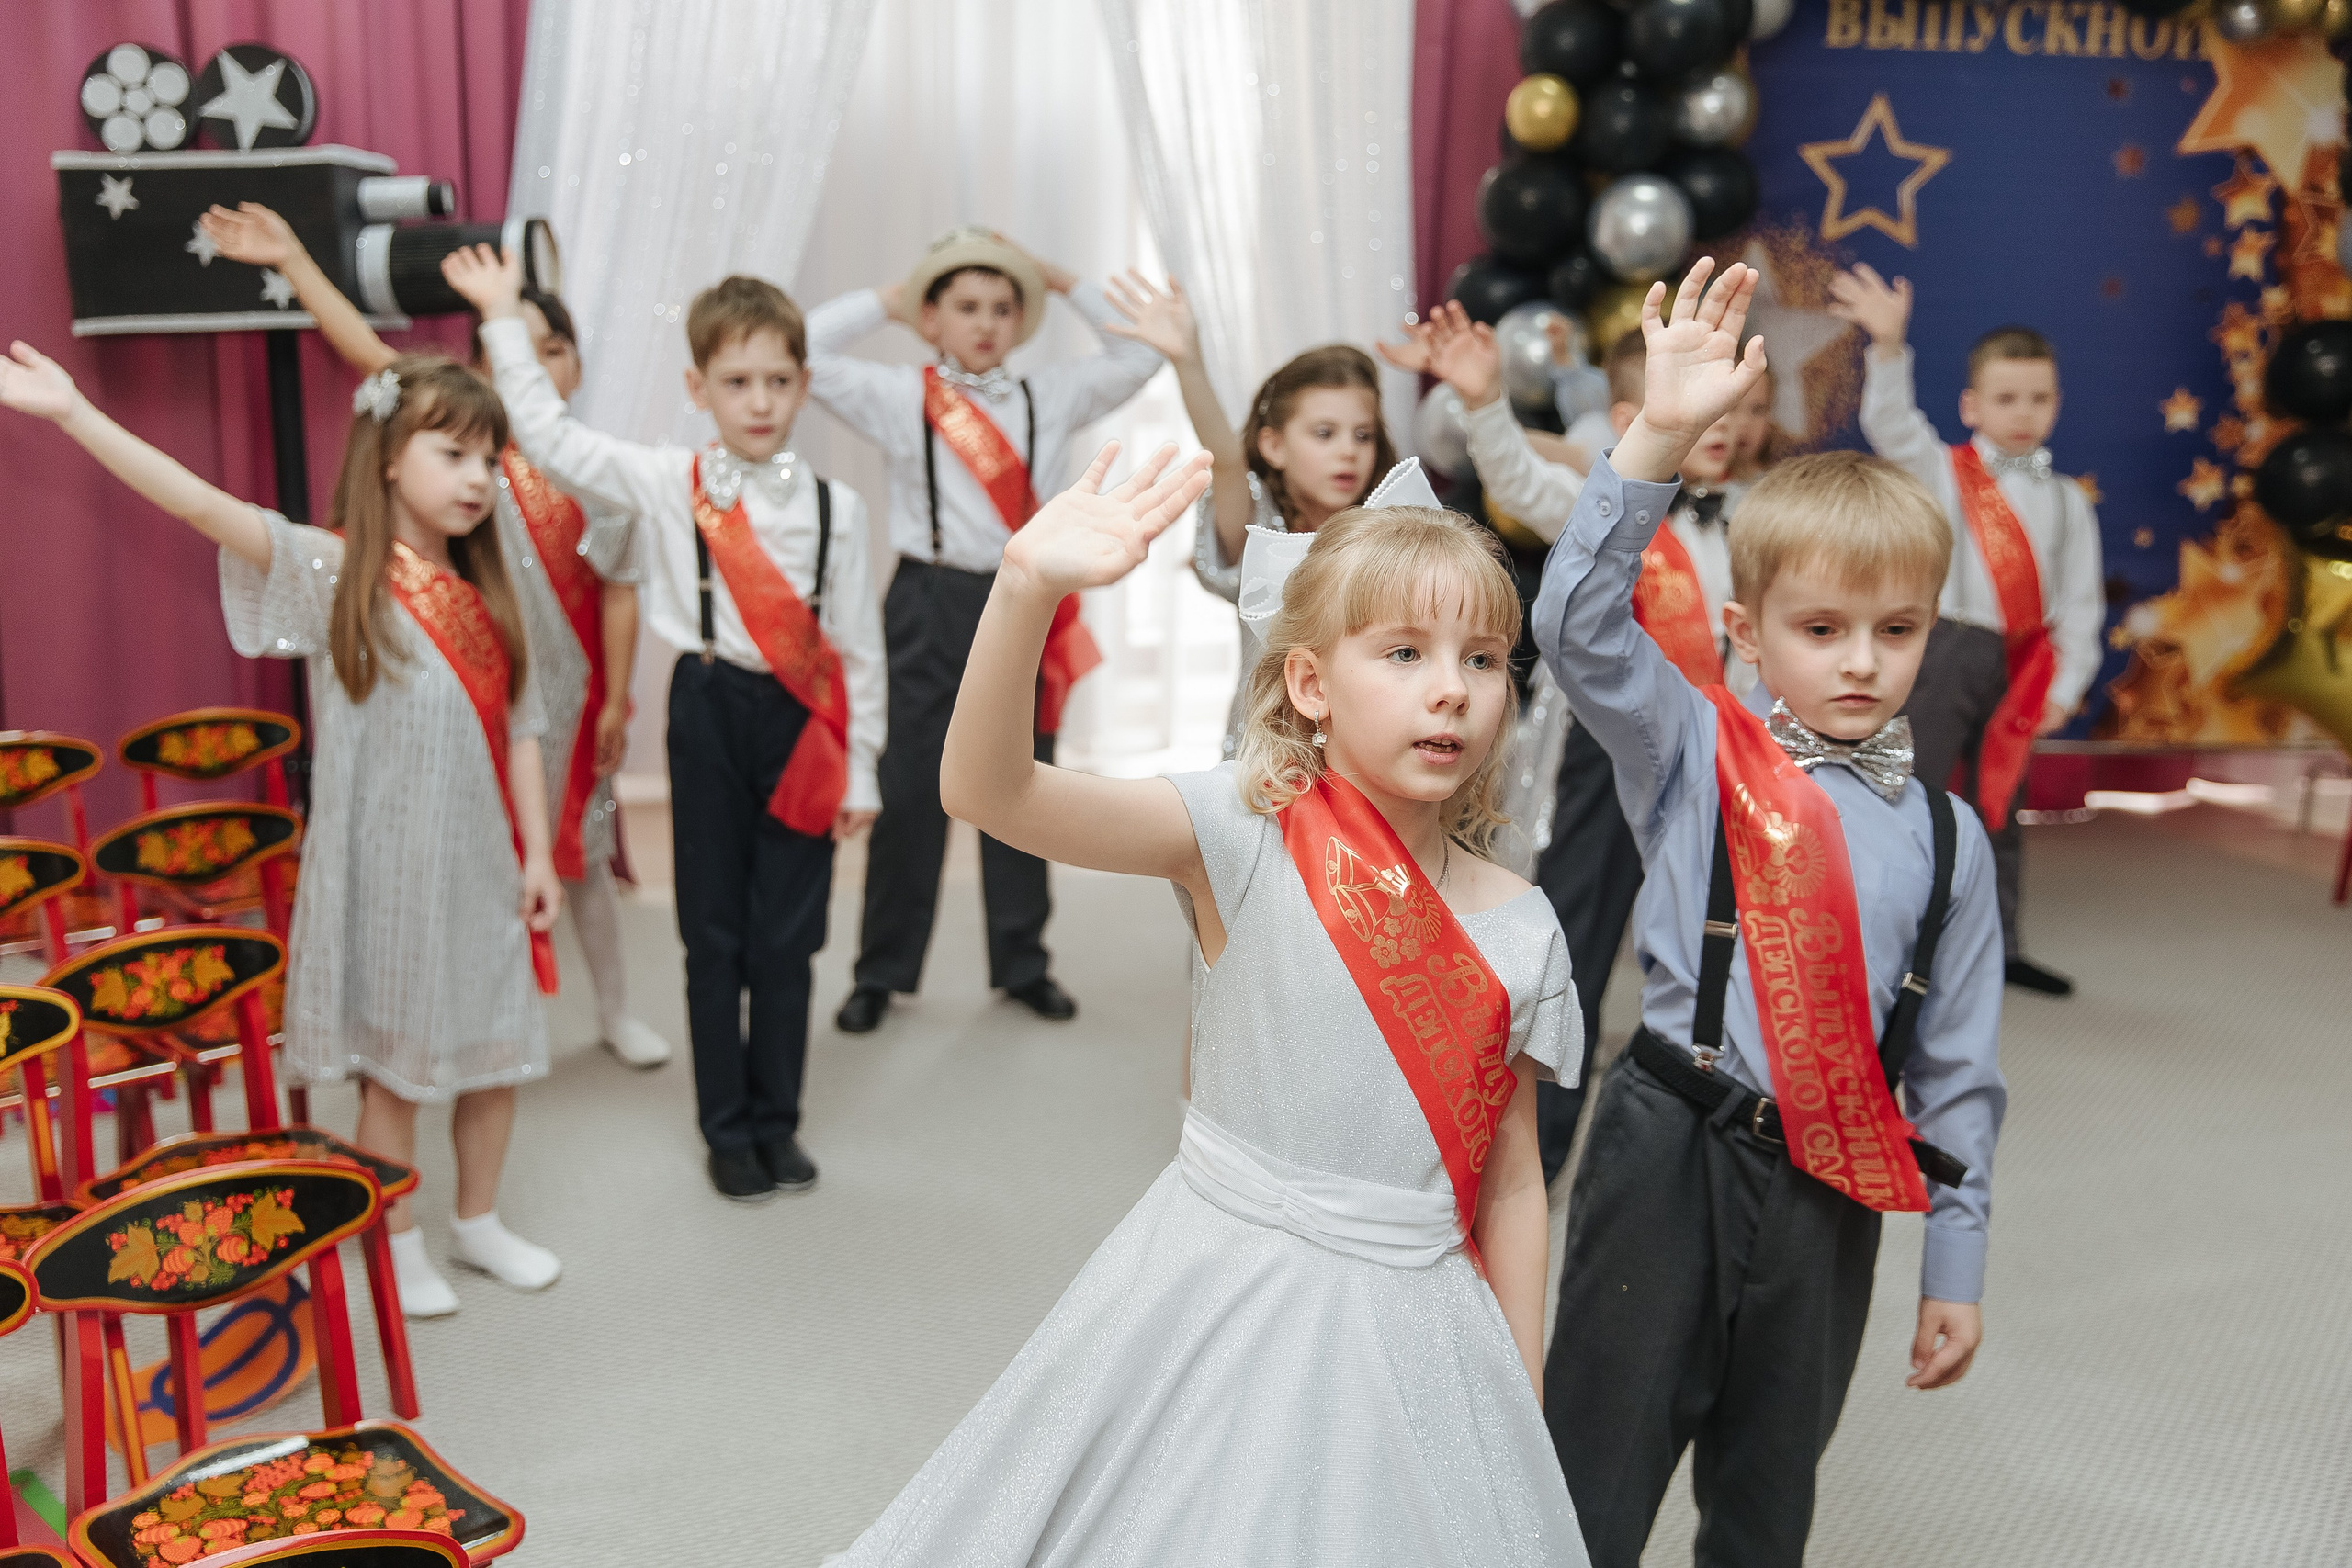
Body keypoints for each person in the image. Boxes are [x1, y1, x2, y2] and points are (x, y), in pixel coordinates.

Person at [825, 438, 1585, 1564]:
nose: (1450, 690)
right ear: (1310, 684)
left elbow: (1514, 1179)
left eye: (1483, 660)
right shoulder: (1241, 833)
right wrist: (1025, 589)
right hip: (1215, 1291)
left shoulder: (1522, 925)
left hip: (1419, 1322)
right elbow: (984, 792)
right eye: (1406, 652)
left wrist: (1514, 1395)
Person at [1532, 257, 2007, 1567]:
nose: (1862, 660)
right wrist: (1657, 436)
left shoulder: (1953, 841)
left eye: (1897, 629)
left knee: (1767, 1490)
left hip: (1831, 1183)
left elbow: (1960, 1073)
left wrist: (1955, 1264)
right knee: (1595, 1466)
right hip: (1665, 1147)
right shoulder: (1691, 750)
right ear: (1745, 631)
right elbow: (1574, 625)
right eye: (1823, 626)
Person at [1, 341, 569, 1318]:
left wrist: (538, 852)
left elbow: (522, 731)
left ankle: (479, 1220)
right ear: (389, 456)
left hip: (482, 868)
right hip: (387, 876)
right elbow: (197, 504)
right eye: (452, 453)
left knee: (495, 1051)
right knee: (399, 1070)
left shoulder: (489, 596)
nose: (477, 478)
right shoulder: (334, 571)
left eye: (489, 458)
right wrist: (74, 414)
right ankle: (395, 1236)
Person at [444, 246, 887, 1203]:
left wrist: (863, 771)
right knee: (714, 933)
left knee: (789, 937)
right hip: (707, 710)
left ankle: (780, 1120)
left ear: (805, 385)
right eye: (737, 381)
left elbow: (858, 648)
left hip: (805, 726)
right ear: (698, 386)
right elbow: (550, 436)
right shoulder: (660, 478)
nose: (759, 401)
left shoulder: (837, 508)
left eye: (778, 380)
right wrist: (501, 319)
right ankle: (726, 1129)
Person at [199, 202, 672, 1068]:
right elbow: (371, 358)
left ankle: (613, 1010)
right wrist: (299, 262)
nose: (534, 360)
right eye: (513, 345)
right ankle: (454, 1026)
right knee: (471, 858)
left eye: (553, 347)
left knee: (582, 849)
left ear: (570, 366)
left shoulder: (596, 472)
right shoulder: (467, 457)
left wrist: (619, 698)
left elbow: (618, 597)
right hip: (454, 684)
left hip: (561, 701)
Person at [1403, 298, 1751, 1183]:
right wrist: (1485, 404)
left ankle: (1711, 1142)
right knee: (1578, 935)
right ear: (1635, 420)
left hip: (1722, 756)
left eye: (1738, 411)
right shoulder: (1604, 503)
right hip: (1606, 746)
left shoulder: (1758, 514)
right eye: (1702, 409)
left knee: (1721, 940)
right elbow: (1519, 483)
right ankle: (1537, 1153)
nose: (1723, 428)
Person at [805, 230, 1162, 1034]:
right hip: (926, 603)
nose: (987, 323)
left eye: (1005, 307)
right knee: (908, 791)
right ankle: (883, 971)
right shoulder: (903, 395)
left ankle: (1023, 960)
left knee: (1026, 779)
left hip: (1019, 599)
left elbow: (1141, 357)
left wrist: (1061, 275)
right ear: (932, 318)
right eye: (966, 306)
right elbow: (803, 350)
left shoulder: (1049, 395)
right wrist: (890, 301)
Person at [1831, 262, 2105, 997]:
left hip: (2022, 664)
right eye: (2007, 397)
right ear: (1972, 404)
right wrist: (1889, 346)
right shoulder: (1942, 471)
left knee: (2001, 803)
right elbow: (1891, 423)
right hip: (1946, 650)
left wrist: (2067, 683)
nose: (2024, 412)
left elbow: (2080, 603)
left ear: (2057, 404)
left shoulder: (2069, 502)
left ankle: (1999, 944)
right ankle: (1889, 942)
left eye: (2040, 398)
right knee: (1912, 790)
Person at [1101, 272, 1396, 759]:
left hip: (1367, 754)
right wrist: (1187, 361)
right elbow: (1225, 456)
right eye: (1324, 433)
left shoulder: (1391, 530)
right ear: (1274, 445)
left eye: (1362, 435)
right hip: (1268, 758)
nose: (1348, 452)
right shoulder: (1258, 527)